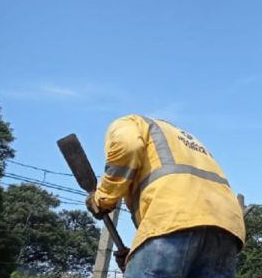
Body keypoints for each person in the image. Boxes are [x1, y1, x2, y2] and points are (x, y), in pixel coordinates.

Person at [85, 115, 245, 278]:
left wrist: (103, 198)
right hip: (227, 228)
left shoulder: (130, 122)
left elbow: (129, 146)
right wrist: (135, 259)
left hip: (173, 217)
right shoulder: (186, 141)